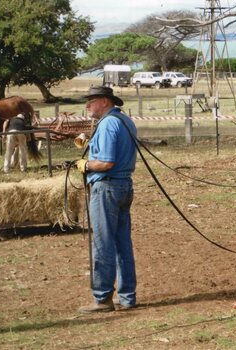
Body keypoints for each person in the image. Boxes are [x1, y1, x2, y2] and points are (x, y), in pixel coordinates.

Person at [76, 86, 138, 313]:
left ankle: (102, 298)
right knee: (122, 243)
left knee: (103, 243)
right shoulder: (125, 121)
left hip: (106, 186)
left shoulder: (108, 124)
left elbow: (106, 162)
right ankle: (127, 296)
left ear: (104, 101)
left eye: (91, 101)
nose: (88, 105)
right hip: (124, 185)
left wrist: (84, 165)